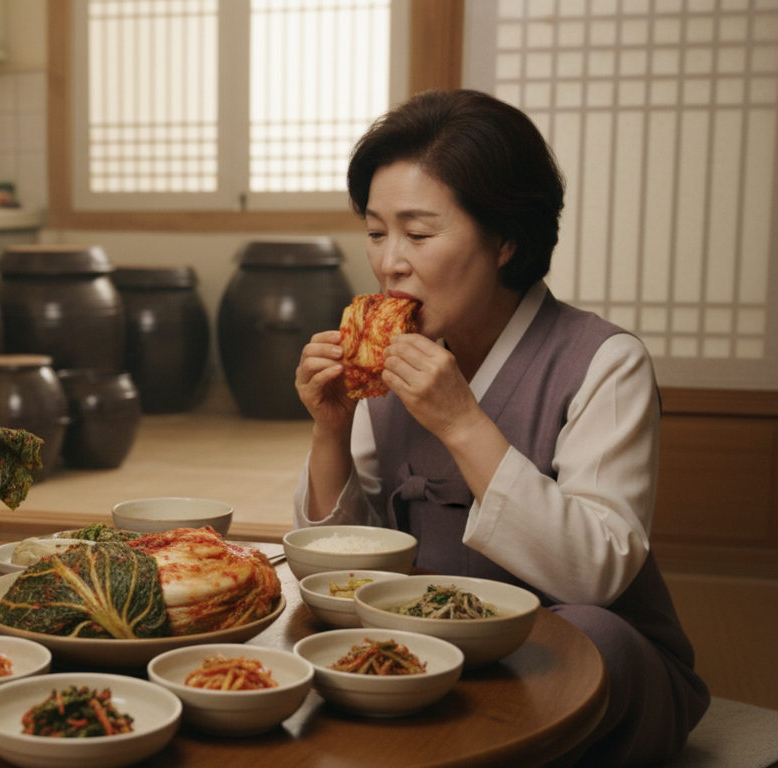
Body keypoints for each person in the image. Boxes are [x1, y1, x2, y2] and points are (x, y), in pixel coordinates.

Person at [293, 89, 709, 766]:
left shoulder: (604, 361)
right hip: (431, 644)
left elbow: (595, 574)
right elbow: (346, 565)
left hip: (582, 655)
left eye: (418, 234)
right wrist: (330, 431)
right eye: (375, 231)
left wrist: (462, 422)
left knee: (590, 639)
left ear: (506, 240)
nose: (390, 261)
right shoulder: (388, 361)